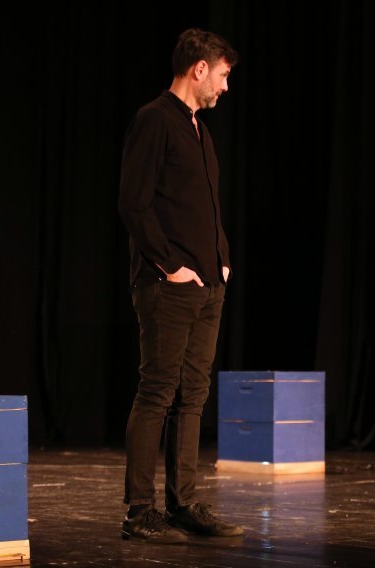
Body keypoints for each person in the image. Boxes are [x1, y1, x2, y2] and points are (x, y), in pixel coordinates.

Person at [118, 28, 243, 543]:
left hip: (207, 284)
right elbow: (134, 203)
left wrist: (222, 260)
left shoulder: (199, 130)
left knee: (193, 395)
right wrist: (170, 266)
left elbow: (205, 206)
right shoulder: (155, 119)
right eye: (223, 75)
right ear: (200, 68)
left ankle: (183, 503)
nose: (225, 87)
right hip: (167, 284)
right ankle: (139, 511)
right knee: (157, 391)